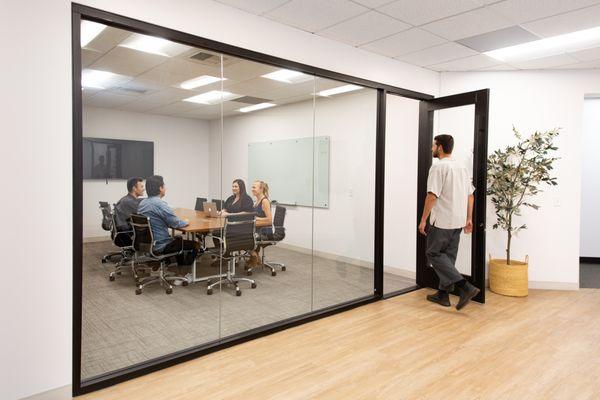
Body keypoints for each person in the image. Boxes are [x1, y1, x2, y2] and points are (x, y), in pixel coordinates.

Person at [418, 134, 480, 310]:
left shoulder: (438, 168)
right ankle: (443, 295)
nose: (431, 149)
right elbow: (470, 195)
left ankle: (464, 287)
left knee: (433, 254)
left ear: (440, 147)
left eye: (433, 146)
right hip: (458, 220)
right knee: (448, 257)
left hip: (443, 221)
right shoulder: (462, 167)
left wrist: (423, 220)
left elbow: (432, 196)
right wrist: (469, 218)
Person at [138, 175, 197, 265]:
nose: (166, 188)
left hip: (146, 243)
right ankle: (185, 272)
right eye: (164, 186)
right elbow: (176, 223)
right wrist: (186, 221)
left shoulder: (143, 203)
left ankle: (177, 267)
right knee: (195, 245)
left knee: (178, 239)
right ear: (160, 188)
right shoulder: (159, 204)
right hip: (160, 244)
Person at [247, 180, 272, 267]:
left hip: (264, 231)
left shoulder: (264, 201)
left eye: (254, 187)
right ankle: (255, 256)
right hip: (257, 229)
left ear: (261, 189)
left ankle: (254, 255)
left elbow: (269, 220)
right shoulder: (257, 201)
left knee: (241, 235)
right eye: (252, 187)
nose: (252, 189)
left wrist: (257, 219)